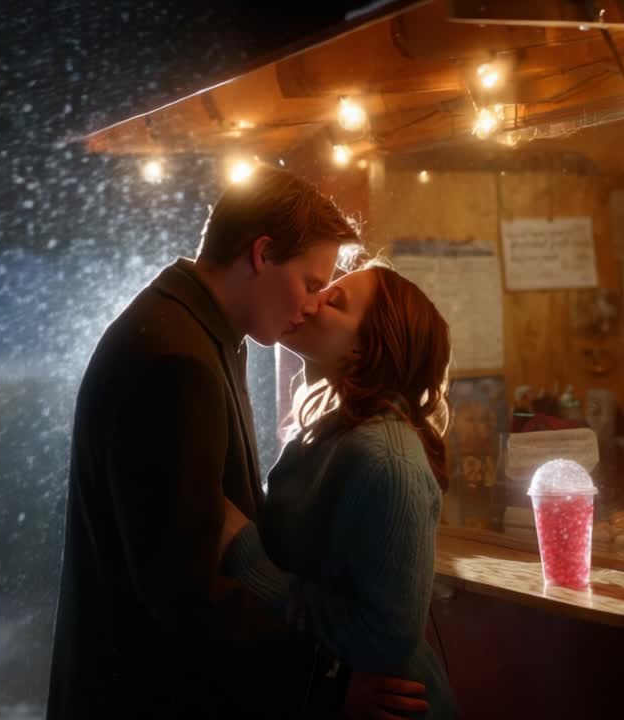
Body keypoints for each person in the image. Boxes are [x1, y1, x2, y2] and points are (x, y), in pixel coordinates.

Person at [47, 166, 427, 719]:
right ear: (262, 253)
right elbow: (187, 593)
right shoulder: (175, 359)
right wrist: (324, 687)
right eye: (311, 282)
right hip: (146, 695)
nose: (311, 304)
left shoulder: (195, 330)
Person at [219, 261, 459, 719]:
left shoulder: (385, 458)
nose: (311, 302)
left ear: (369, 346)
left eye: (334, 300)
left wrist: (248, 558)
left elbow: (386, 638)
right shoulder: (333, 434)